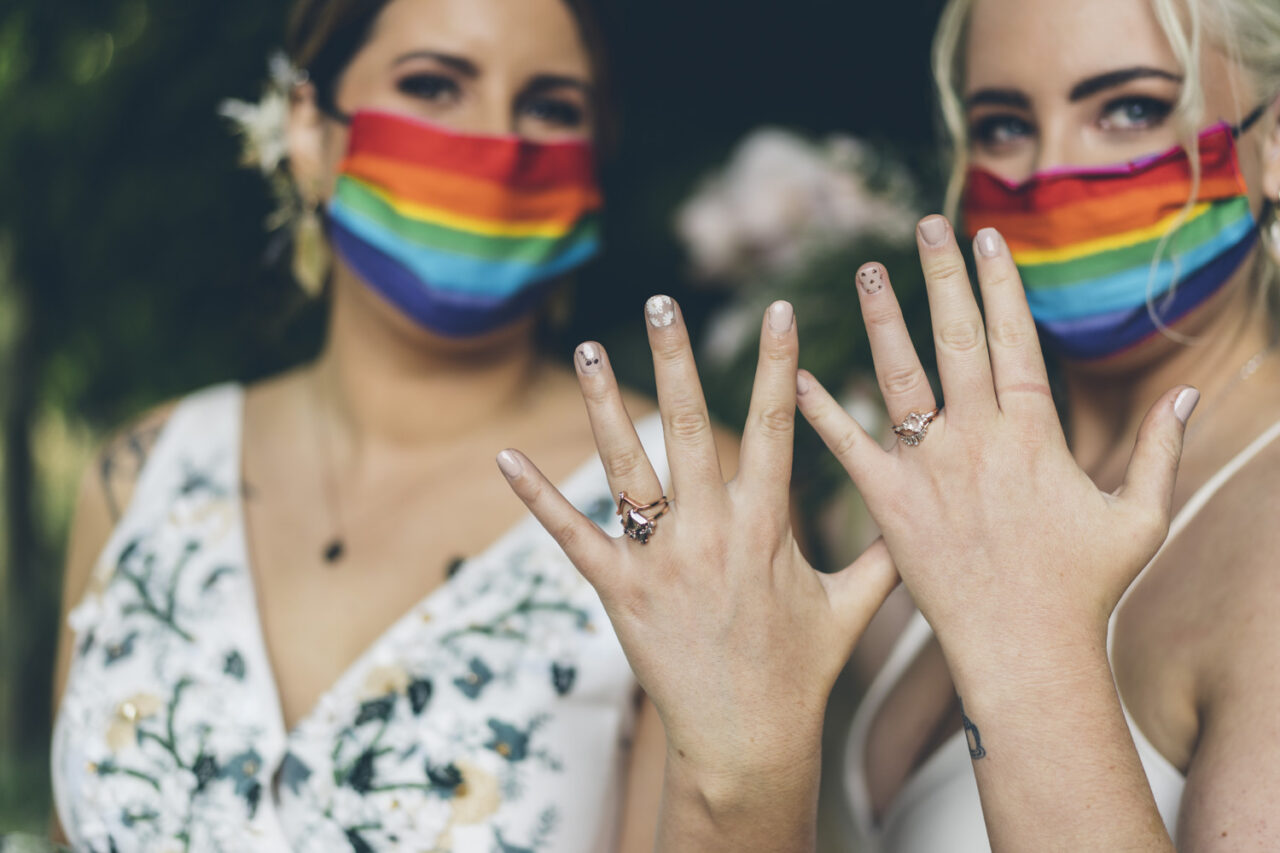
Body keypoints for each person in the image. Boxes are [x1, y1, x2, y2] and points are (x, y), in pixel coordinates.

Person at [497, 0, 1280, 849]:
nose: (1049, 168)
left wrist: (1030, 648)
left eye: (1129, 108)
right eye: (1005, 124)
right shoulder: (922, 504)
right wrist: (737, 760)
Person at [48, 1, 716, 849]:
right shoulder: (137, 478)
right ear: (309, 130)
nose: (499, 147)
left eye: (552, 107)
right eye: (434, 85)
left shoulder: (686, 499)